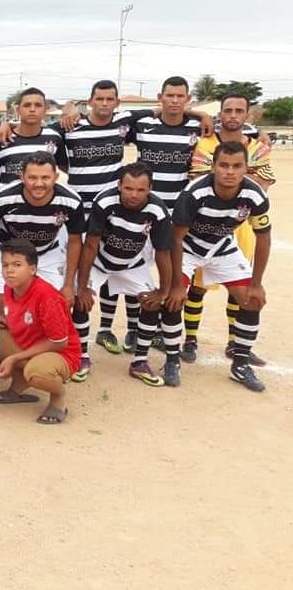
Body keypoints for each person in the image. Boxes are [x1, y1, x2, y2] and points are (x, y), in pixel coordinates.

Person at [54, 80, 214, 354]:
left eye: (110, 99)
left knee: (130, 263)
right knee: (98, 266)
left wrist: (203, 114)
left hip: (130, 208)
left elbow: (164, 110)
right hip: (86, 212)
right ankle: (99, 330)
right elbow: (49, 146)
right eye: (99, 99)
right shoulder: (70, 126)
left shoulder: (126, 121)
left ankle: (132, 330)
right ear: (90, 101)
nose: (104, 104)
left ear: (117, 103)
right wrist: (68, 111)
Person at [164, 142, 271, 391]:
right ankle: (171, 360)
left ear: (246, 168)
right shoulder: (195, 193)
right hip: (188, 248)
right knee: (173, 298)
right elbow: (175, 239)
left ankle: (240, 364)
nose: (230, 172)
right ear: (213, 167)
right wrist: (178, 284)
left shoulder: (255, 195)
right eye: (223, 165)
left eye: (236, 166)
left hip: (222, 247)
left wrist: (256, 284)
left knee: (252, 300)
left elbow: (263, 238)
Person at [182, 93, 274, 366]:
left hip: (241, 225)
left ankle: (235, 343)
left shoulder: (259, 146)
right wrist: (246, 174)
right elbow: (199, 178)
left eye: (239, 111)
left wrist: (225, 175)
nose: (233, 115)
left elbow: (264, 183)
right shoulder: (205, 143)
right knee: (196, 287)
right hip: (203, 224)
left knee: (238, 286)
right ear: (220, 114)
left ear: (248, 115)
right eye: (228, 110)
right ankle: (190, 340)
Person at [0, 152, 86, 377]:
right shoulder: (3, 197)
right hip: (8, 251)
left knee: (56, 302)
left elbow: (76, 241)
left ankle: (53, 356)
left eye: (45, 178)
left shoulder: (71, 200)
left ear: (56, 177)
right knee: (2, 305)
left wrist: (69, 283)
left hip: (47, 252)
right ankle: (6, 356)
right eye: (32, 177)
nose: (39, 184)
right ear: (22, 177)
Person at [75, 163, 173, 386]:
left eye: (140, 190)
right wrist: (82, 286)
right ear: (119, 186)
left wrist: (163, 291)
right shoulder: (105, 201)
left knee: (151, 303)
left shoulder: (157, 210)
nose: (133, 195)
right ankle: (81, 357)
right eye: (128, 188)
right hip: (100, 262)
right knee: (80, 302)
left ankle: (139, 362)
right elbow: (90, 245)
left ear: (150, 189)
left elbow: (163, 251)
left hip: (131, 264)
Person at [0, 238, 81, 425]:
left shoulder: (47, 297)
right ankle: (18, 386)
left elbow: (59, 342)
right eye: (5, 265)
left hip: (61, 353)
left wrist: (14, 358)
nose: (9, 270)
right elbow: (25, 315)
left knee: (38, 373)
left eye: (17, 265)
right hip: (32, 346)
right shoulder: (10, 289)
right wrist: (6, 320)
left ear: (32, 269)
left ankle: (58, 398)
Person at [0, 87, 66, 191]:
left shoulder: (54, 137)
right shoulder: (2, 137)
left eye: (38, 105)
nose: (32, 109)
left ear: (45, 110)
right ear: (18, 109)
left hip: (41, 203)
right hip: (6, 203)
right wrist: (5, 184)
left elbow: (63, 166)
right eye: (27, 105)